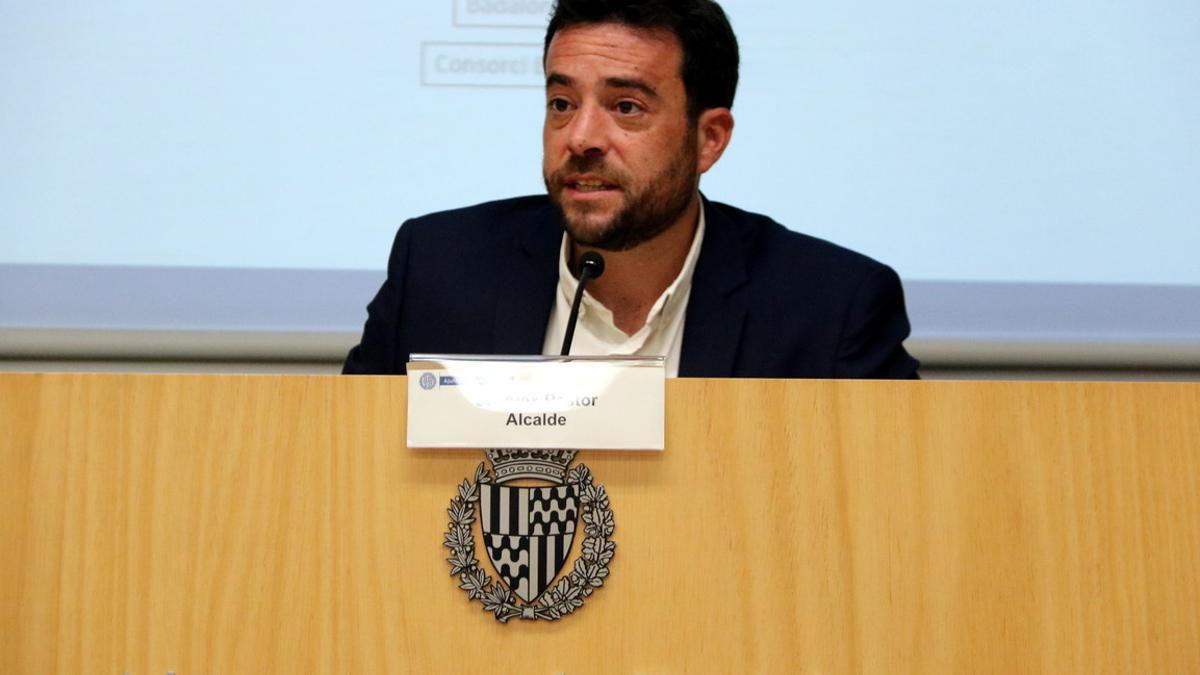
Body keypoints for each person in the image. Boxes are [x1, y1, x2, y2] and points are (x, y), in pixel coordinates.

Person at [343, 0, 919, 378]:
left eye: (626, 107)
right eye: (562, 104)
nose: (582, 137)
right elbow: (347, 469)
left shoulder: (829, 308)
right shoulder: (441, 269)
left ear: (709, 138)